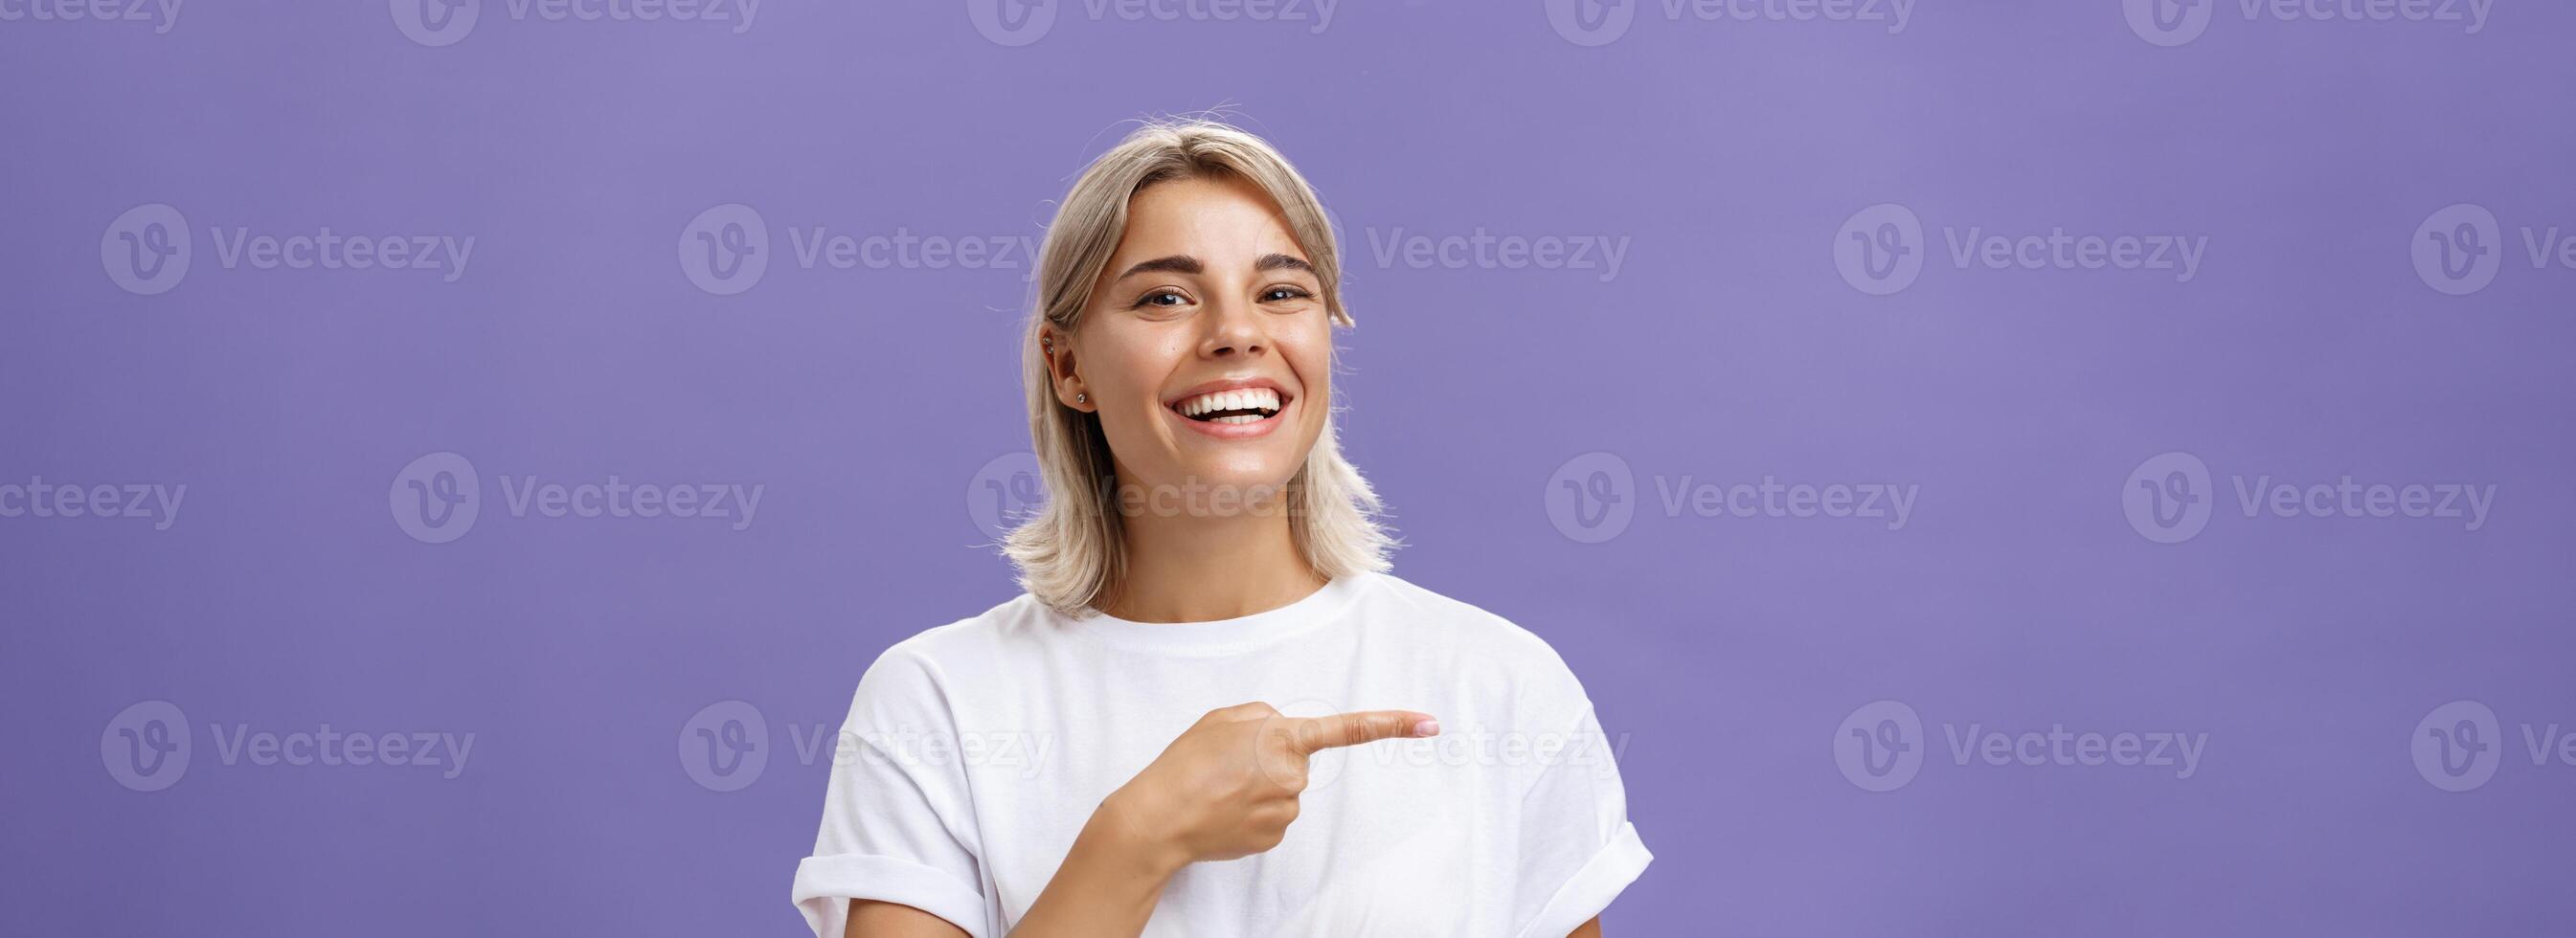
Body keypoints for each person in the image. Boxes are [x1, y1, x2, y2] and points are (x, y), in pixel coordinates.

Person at [792, 118, 1649, 936]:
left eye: (1281, 292)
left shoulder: (1498, 686)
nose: (1237, 334)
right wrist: (1141, 835)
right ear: (1067, 365)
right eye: (1166, 297)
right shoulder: (935, 701)